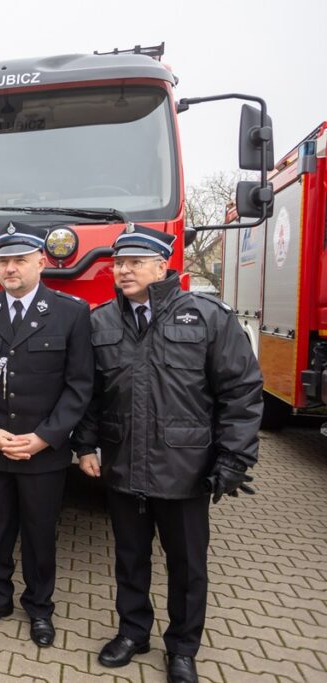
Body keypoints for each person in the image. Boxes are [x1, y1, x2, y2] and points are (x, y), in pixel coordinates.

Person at [71, 225, 263, 683]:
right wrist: (84, 445)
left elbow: (241, 391)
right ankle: (133, 632)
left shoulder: (207, 316)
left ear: (163, 266)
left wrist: (234, 459)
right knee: (130, 558)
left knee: (187, 566)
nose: (124, 270)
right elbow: (88, 395)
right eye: (119, 263)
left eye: (136, 262)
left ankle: (182, 647)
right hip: (121, 464)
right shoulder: (101, 322)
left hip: (185, 469)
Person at [0, 223, 93, 646]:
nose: (10, 268)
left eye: (19, 260)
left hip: (43, 452)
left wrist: (45, 437)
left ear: (41, 261)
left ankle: (40, 608)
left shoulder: (72, 312)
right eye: (3, 261)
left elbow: (81, 385)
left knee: (39, 533)